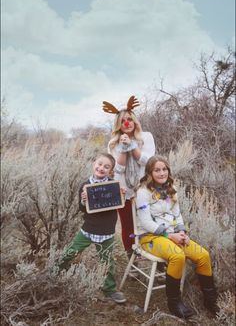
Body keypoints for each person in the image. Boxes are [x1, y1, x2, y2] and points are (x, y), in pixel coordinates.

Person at [135, 156, 218, 318]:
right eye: (157, 170)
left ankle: (210, 300)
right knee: (177, 256)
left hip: (173, 235)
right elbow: (145, 221)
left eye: (164, 169)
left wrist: (182, 233)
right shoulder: (143, 192)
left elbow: (177, 214)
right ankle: (174, 303)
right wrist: (169, 235)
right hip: (150, 238)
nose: (162, 173)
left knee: (203, 255)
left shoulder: (170, 189)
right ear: (150, 173)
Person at [55, 152, 127, 304]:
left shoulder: (113, 185)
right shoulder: (85, 185)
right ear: (94, 164)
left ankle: (109, 289)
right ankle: (54, 272)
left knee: (107, 261)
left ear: (111, 171)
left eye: (106, 167)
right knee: (70, 252)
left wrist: (121, 195)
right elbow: (82, 209)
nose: (102, 168)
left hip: (106, 231)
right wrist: (83, 200)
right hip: (88, 229)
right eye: (100, 164)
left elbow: (118, 204)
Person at [102, 96, 155, 259]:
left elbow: (148, 163)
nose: (127, 123)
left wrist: (132, 145)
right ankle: (133, 259)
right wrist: (123, 147)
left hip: (144, 189)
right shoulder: (113, 143)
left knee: (150, 223)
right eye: (123, 120)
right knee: (128, 226)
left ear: (135, 121)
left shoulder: (146, 137)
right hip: (123, 190)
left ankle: (158, 260)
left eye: (130, 119)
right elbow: (118, 169)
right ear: (118, 124)